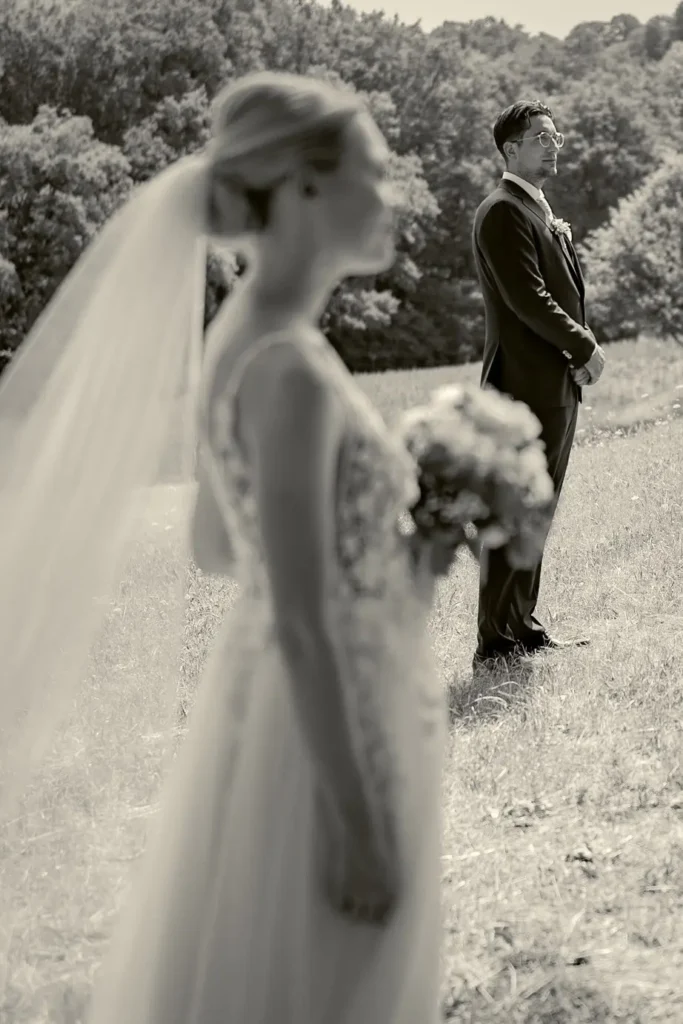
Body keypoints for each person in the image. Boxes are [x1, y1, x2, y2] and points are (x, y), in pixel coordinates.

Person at [0, 72, 452, 1023]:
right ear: (303, 186)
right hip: (323, 734)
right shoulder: (287, 365)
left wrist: (390, 548)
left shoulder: (236, 340)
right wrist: (357, 816)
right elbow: (299, 613)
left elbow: (216, 543)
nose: (395, 193)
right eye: (375, 169)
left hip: (263, 714)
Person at [471, 99, 606, 670]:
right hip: (522, 387)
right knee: (514, 510)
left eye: (557, 135)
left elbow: (561, 291)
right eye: (543, 137)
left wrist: (574, 357)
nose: (556, 145)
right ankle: (495, 642)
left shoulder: (535, 208)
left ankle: (521, 627)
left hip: (554, 383)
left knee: (537, 509)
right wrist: (584, 346)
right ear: (511, 149)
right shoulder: (502, 211)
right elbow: (531, 300)